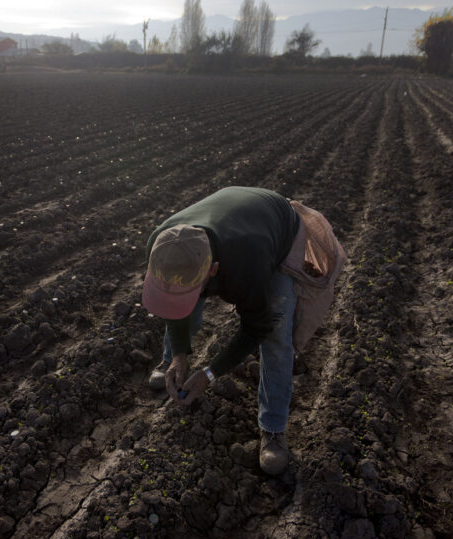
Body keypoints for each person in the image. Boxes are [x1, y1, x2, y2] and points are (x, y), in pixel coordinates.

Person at [141, 186, 343, 476]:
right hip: (231, 216)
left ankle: (273, 429)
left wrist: (210, 373)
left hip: (276, 229)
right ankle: (170, 360)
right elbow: (174, 304)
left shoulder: (249, 264)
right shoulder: (163, 243)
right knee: (184, 301)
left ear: (214, 271)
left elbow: (256, 327)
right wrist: (180, 354)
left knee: (276, 337)